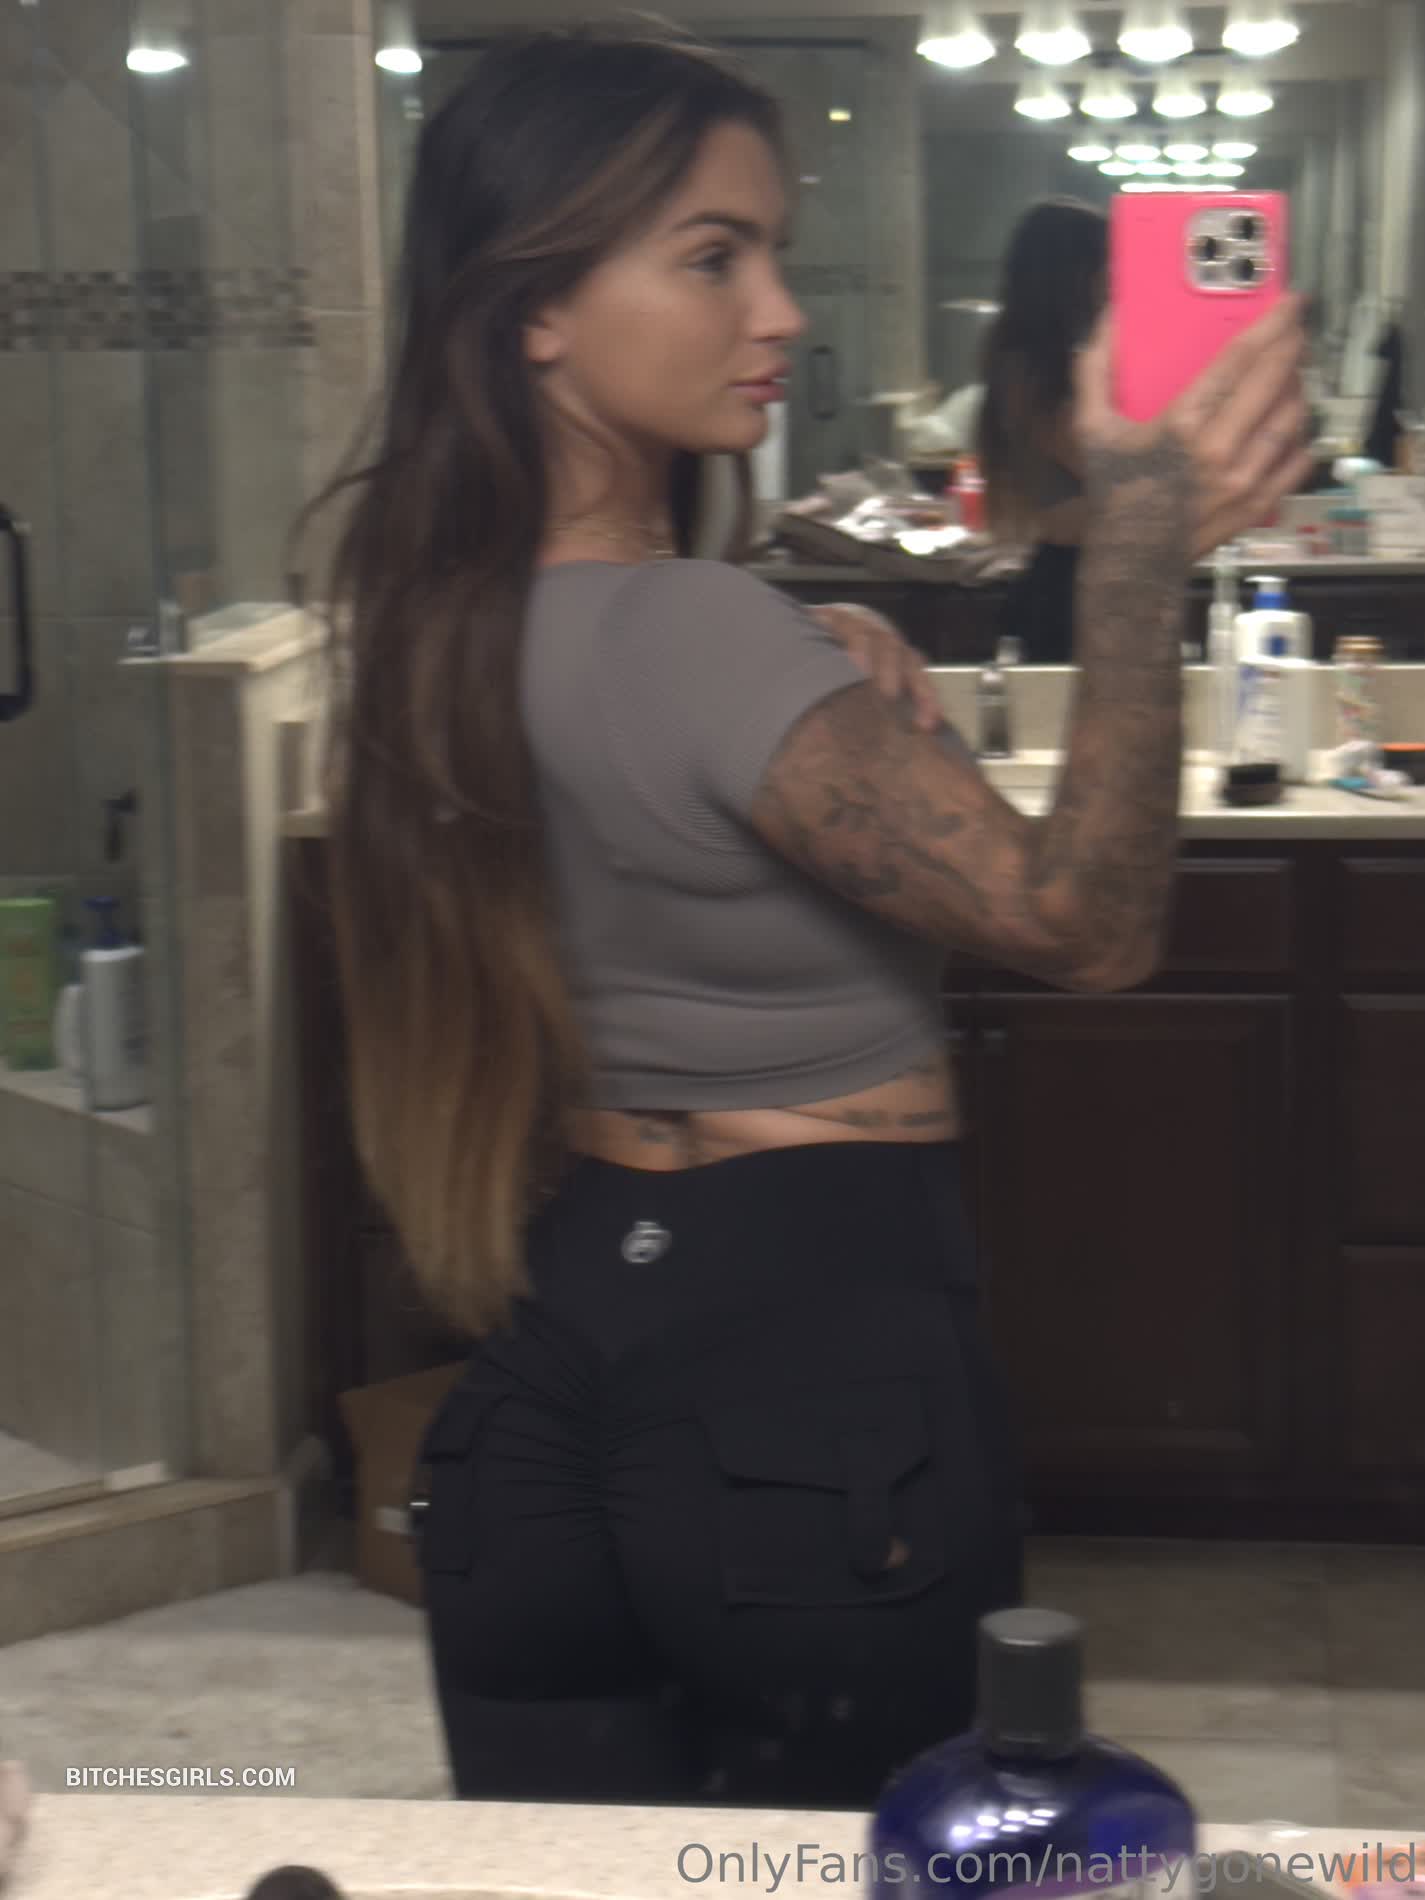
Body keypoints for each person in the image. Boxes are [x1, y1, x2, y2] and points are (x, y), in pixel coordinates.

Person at [294, 17, 1309, 1811]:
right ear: (536, 308)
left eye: (771, 251)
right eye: (714, 257)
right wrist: (1142, 549)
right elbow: (1083, 923)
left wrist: (798, 647)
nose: (780, 310)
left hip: (535, 1387)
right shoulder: (700, 634)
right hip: (806, 1382)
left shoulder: (430, 633)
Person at [976, 198, 1109, 663]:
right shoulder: (1033, 370)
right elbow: (1104, 464)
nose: (1114, 279)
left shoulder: (1046, 360)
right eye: (1105, 264)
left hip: (1085, 571)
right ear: (1074, 274)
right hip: (1070, 581)